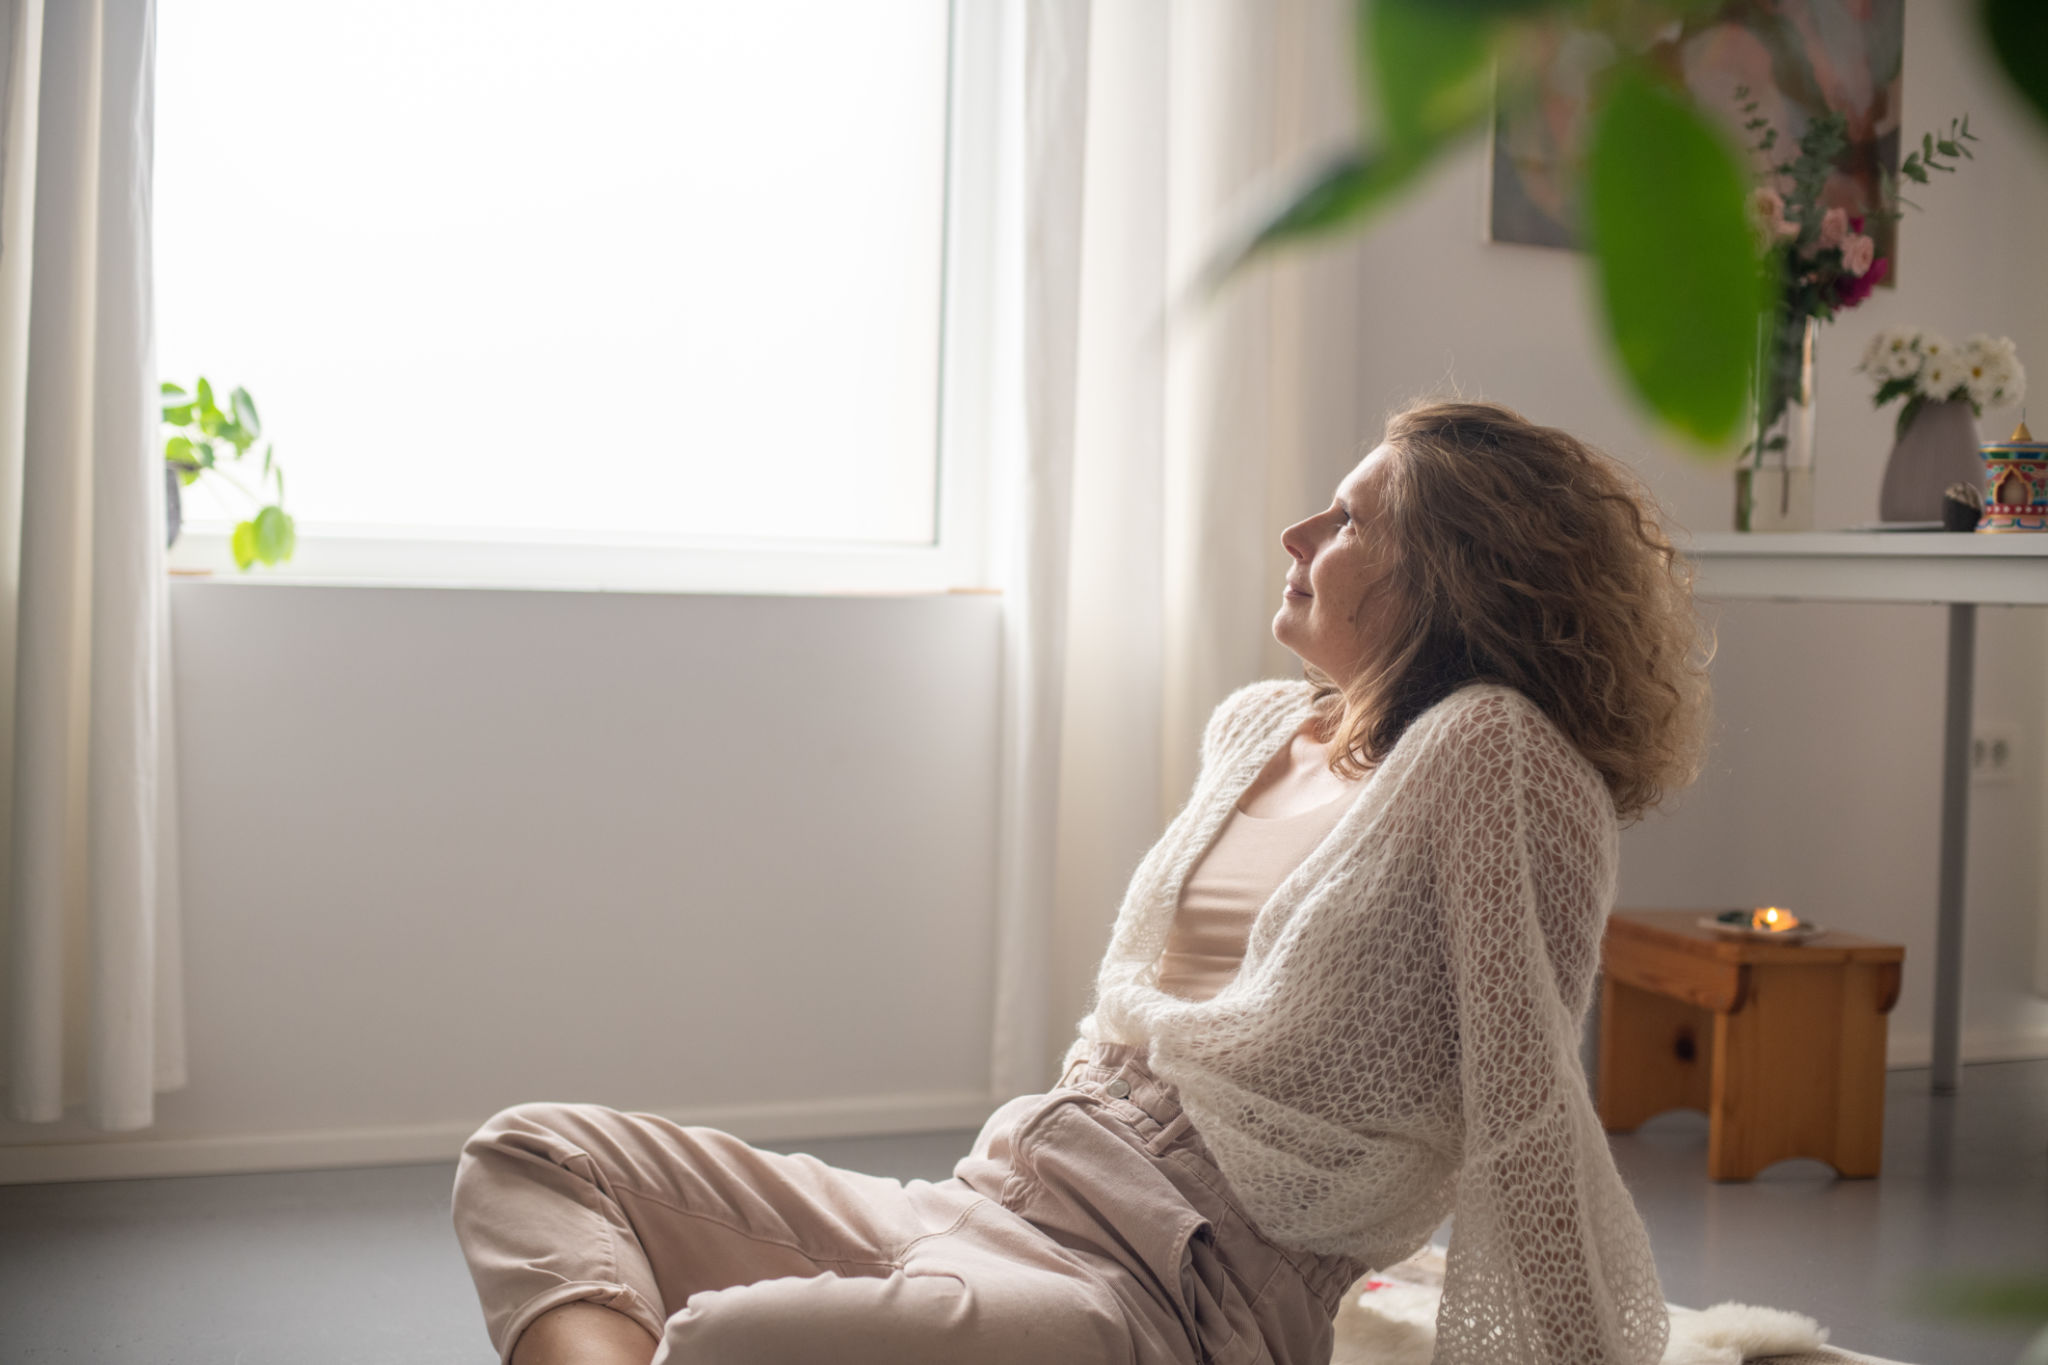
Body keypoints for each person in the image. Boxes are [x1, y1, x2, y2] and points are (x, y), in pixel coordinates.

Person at [451, 398, 1711, 1365]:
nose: (1295, 535)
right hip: (993, 1192)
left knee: (729, 1343)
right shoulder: (1257, 726)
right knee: (530, 1158)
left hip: (1162, 1297)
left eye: (1344, 521)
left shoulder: (1493, 758)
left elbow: (1525, 1101)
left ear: (1446, 575)